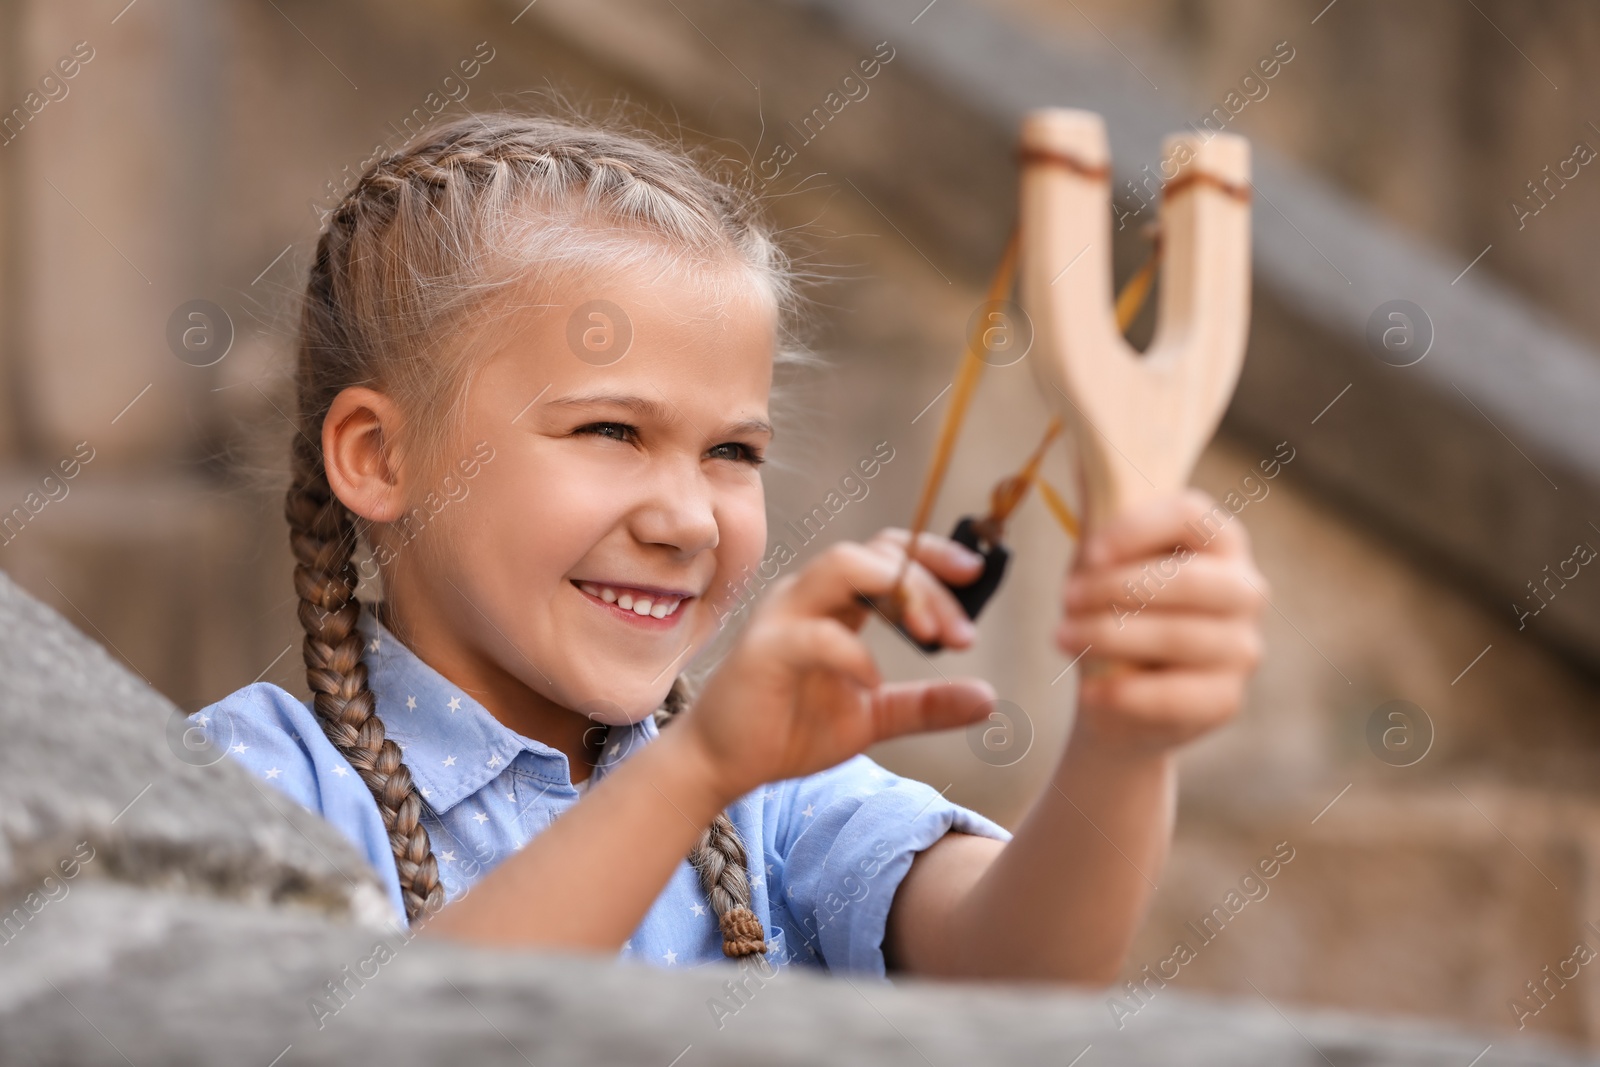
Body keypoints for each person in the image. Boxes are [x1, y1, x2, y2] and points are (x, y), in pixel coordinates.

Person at [193, 110, 1267, 982]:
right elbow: (383, 1041)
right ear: (379, 456)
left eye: (732, 450)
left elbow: (1019, 968)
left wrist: (1125, 745)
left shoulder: (779, 804)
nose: (689, 518)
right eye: (611, 430)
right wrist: (692, 774)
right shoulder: (240, 785)